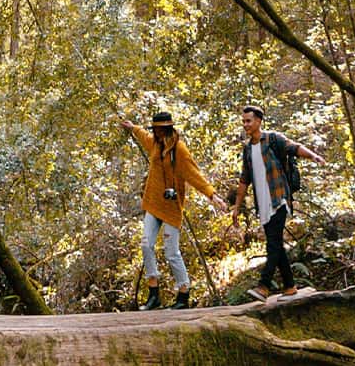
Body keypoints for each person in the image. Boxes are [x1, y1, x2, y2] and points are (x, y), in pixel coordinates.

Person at [118, 110, 224, 310]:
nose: (156, 133)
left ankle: (183, 295)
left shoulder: (179, 150)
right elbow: (143, 136)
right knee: (146, 245)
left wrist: (212, 195)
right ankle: (153, 293)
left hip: (172, 207)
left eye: (159, 129)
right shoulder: (154, 144)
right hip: (153, 202)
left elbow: (194, 175)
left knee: (171, 252)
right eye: (155, 130)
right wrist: (132, 128)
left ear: (166, 129)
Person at [233, 103, 327, 299]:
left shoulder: (273, 139)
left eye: (249, 121)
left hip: (279, 199)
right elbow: (244, 180)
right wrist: (236, 208)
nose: (246, 125)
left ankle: (263, 285)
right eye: (244, 121)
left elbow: (294, 148)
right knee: (276, 243)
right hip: (263, 204)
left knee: (272, 244)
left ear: (259, 121)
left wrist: (314, 156)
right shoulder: (248, 150)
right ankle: (290, 286)